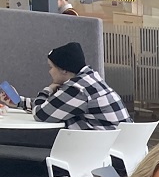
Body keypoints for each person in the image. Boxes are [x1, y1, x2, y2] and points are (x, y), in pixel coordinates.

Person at [0, 42, 131, 130]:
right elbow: (55, 105)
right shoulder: (89, 79)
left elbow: (41, 114)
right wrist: (19, 102)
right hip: (119, 146)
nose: (50, 72)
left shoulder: (77, 89)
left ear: (64, 70)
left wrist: (49, 89)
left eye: (51, 67)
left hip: (103, 150)